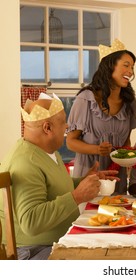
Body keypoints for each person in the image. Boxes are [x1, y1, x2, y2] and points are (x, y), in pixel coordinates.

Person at [0, 93, 118, 260]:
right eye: (63, 122)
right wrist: (77, 196)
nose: (67, 126)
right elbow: (30, 222)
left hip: (53, 243)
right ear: (47, 128)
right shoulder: (26, 162)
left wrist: (83, 180)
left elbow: (53, 186)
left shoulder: (46, 152)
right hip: (31, 251)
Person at [66, 39, 136, 193]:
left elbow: (126, 140)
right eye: (126, 65)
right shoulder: (85, 99)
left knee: (116, 216)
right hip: (89, 174)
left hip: (116, 176)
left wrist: (129, 157)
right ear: (110, 65)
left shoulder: (129, 103)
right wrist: (97, 150)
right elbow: (71, 142)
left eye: (132, 67)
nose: (131, 71)